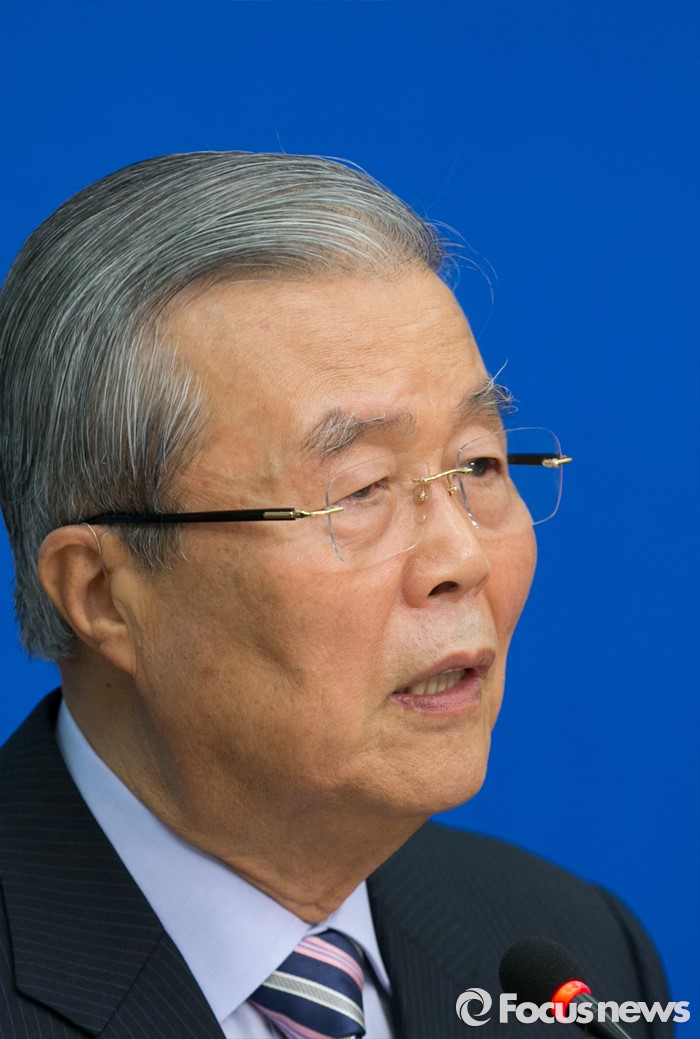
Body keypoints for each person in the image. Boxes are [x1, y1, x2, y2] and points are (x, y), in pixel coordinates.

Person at [0, 152, 670, 1038]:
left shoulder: (580, 954)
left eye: (478, 463)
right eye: (359, 490)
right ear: (103, 596)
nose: (463, 556)